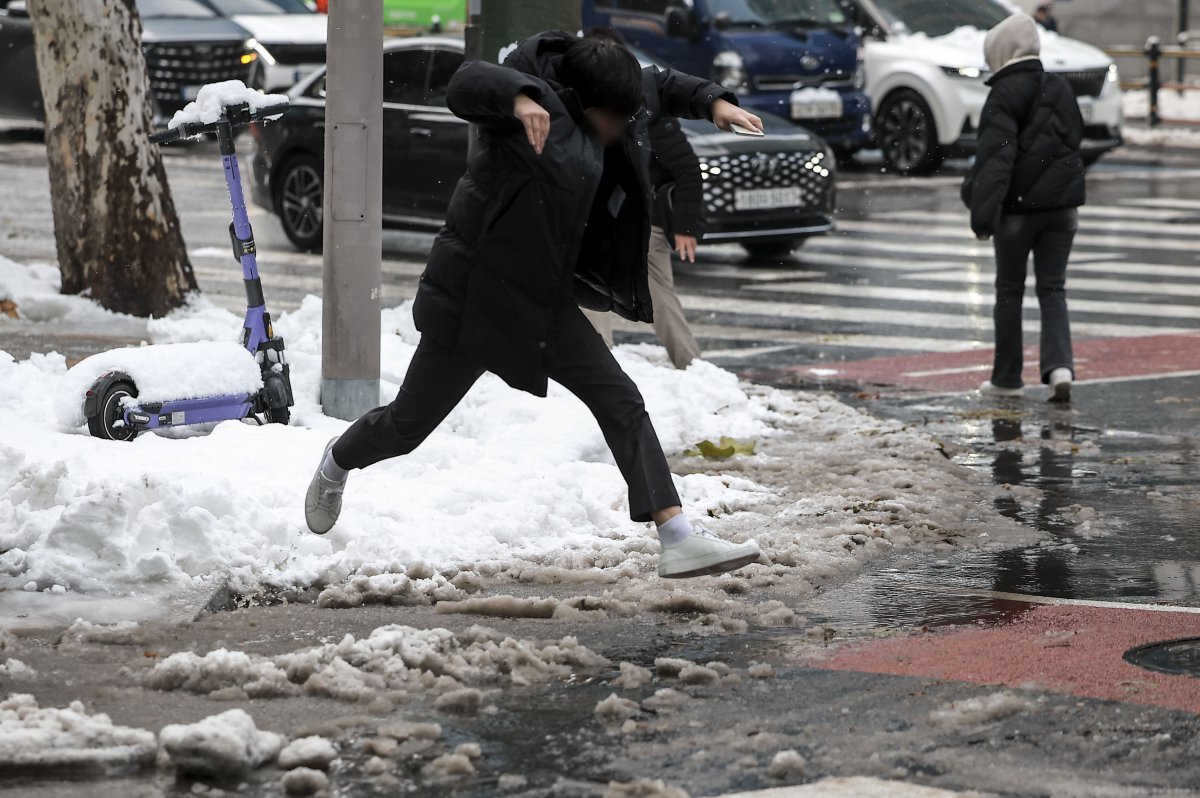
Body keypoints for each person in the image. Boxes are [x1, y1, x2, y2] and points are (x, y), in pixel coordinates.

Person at [305, 31, 766, 579]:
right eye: (612, 120)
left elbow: (662, 84)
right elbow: (466, 82)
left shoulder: (617, 93)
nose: (620, 129)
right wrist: (519, 97)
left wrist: (714, 102)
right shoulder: (525, 112)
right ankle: (338, 460)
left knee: (620, 399)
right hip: (476, 298)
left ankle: (677, 536)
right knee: (405, 428)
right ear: (584, 100)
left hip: (542, 302)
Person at [962, 13, 1085, 402]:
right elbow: (1073, 140)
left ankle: (1008, 378)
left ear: (1001, 52)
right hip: (1063, 210)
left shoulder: (1003, 94)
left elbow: (995, 161)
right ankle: (1060, 367)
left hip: (1017, 211)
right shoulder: (1059, 87)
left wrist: (983, 216)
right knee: (1053, 289)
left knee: (1010, 291)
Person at [585, 111, 705, 369]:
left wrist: (685, 226)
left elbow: (687, 170)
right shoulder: (646, 109)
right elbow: (687, 168)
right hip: (632, 220)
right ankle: (691, 364)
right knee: (658, 293)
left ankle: (598, 363)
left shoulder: (644, 114)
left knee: (589, 284)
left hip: (636, 222)